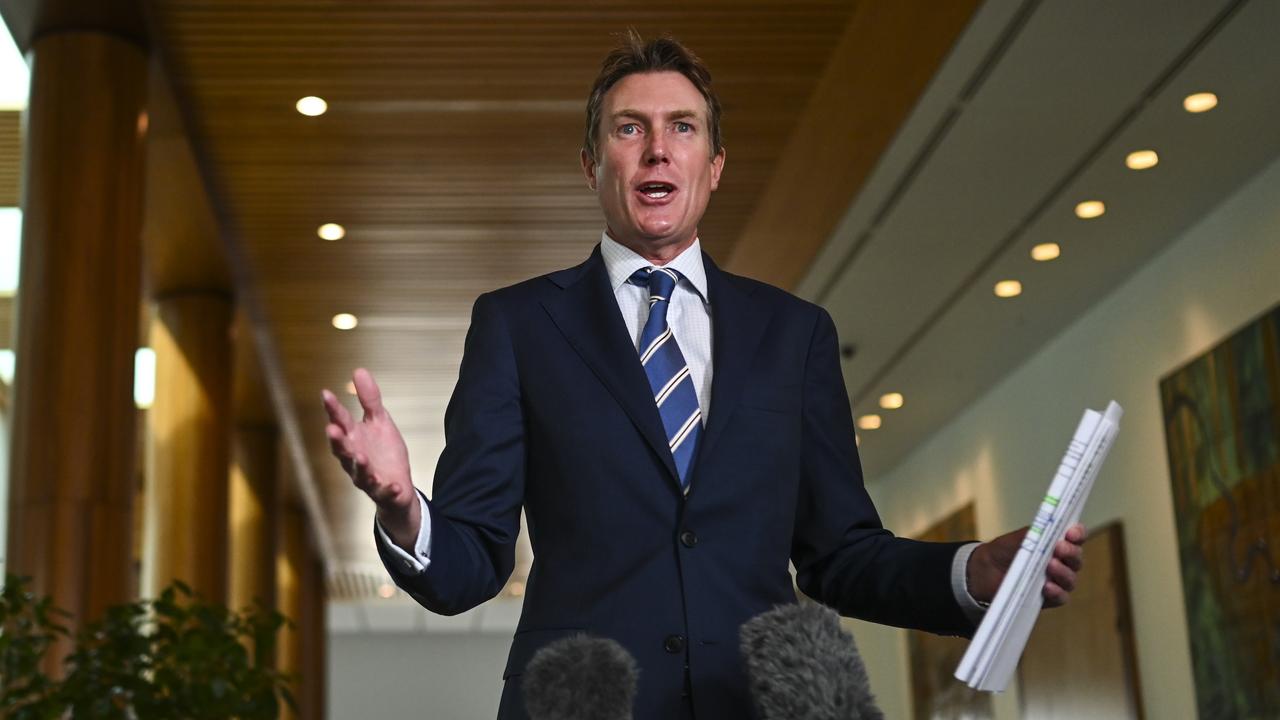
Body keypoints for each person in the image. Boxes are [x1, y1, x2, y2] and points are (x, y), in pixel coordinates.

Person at [322, 32, 1084, 720]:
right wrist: (401, 508)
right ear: (593, 165)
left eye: (682, 128)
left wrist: (972, 571)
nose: (658, 149)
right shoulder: (518, 326)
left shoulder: (794, 334)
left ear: (713, 168)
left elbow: (842, 555)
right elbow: (470, 565)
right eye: (630, 129)